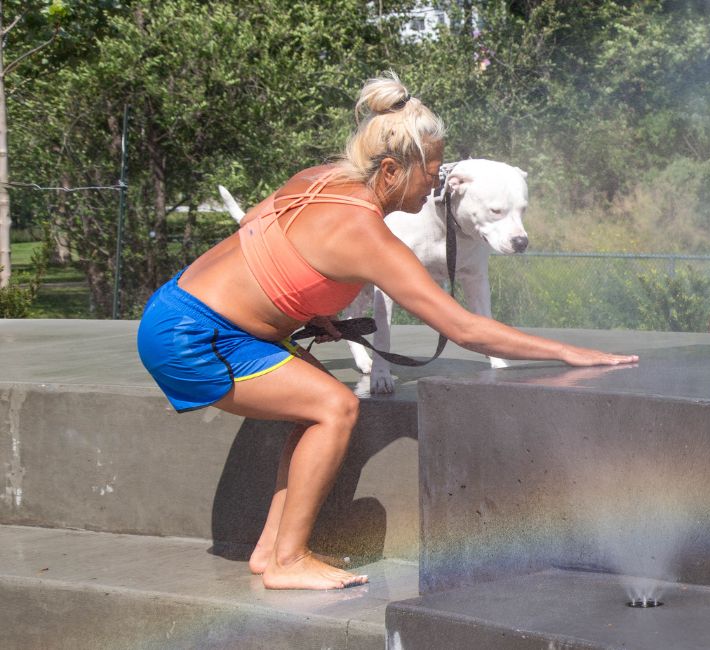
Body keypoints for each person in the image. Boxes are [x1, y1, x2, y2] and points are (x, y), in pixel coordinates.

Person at [135, 73, 638, 590]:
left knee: (311, 409)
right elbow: (463, 328)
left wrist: (303, 308)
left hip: (178, 310)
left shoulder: (318, 179)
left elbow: (258, 236)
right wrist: (567, 352)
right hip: (197, 339)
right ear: (393, 170)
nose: (436, 185)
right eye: (433, 172)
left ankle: (271, 549)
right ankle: (289, 561)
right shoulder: (369, 235)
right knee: (336, 406)